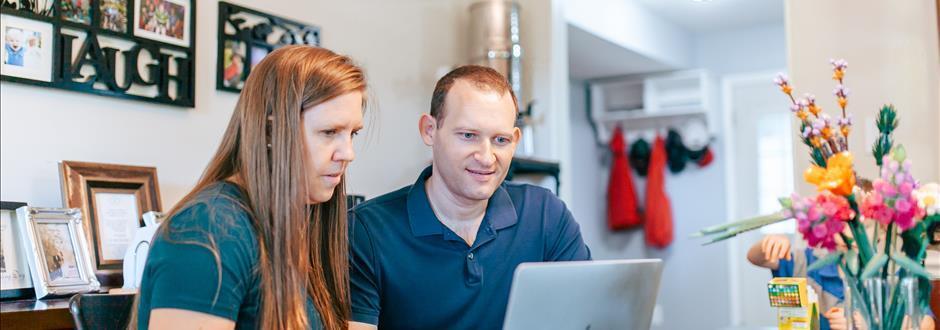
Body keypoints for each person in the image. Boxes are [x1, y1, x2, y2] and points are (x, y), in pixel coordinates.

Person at [136, 45, 367, 330]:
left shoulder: (297, 223)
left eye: (352, 133)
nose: (348, 153)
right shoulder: (208, 229)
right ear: (271, 130)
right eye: (329, 132)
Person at [348, 65, 591, 330]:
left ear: (515, 140)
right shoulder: (365, 230)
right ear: (429, 130)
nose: (486, 158)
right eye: (468, 135)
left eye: (500, 140)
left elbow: (589, 316)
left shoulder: (546, 215)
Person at [749, 234, 935, 330]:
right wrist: (769, 243)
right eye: (840, 223)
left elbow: (927, 324)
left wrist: (870, 324)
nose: (848, 233)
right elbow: (756, 258)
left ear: (879, 230)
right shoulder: (807, 263)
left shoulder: (892, 274)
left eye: (857, 224)